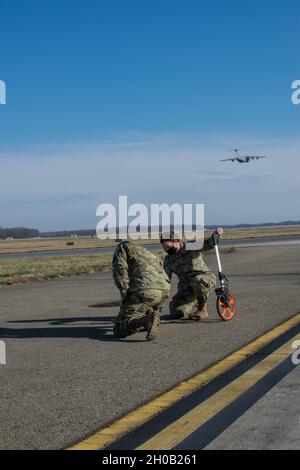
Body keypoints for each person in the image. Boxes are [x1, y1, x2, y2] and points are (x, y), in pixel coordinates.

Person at [160, 228, 224, 320]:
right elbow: (166, 280)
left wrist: (216, 234)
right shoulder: (168, 260)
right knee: (176, 311)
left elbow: (209, 243)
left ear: (176, 241)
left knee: (197, 281)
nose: (167, 250)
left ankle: (202, 309)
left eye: (168, 247)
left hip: (204, 279)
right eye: (164, 248)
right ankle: (194, 301)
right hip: (186, 288)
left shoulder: (191, 246)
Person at [112, 240, 171, 340]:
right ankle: (150, 318)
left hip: (146, 291)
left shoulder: (122, 247)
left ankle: (144, 321)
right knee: (146, 304)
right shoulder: (146, 252)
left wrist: (125, 296)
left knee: (119, 327)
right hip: (164, 291)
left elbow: (120, 271)